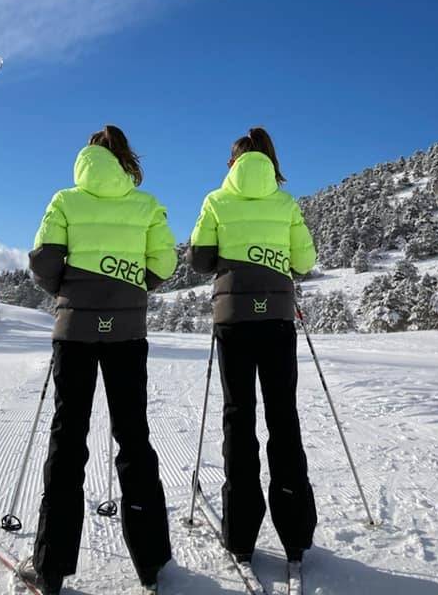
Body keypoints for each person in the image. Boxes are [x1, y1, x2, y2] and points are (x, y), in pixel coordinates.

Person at [18, 125, 177, 595]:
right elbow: (165, 264)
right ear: (126, 158)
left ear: (87, 156)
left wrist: (70, 291)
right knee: (133, 436)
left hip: (75, 335)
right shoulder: (146, 205)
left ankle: (50, 569)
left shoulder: (65, 200)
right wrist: (128, 289)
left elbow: (44, 262)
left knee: (68, 440)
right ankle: (150, 562)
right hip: (127, 333)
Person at [188, 126, 317, 566]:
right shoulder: (286, 204)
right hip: (278, 320)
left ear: (234, 163)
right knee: (284, 418)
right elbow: (304, 262)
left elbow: (200, 259)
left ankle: (240, 534)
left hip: (234, 322)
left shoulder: (216, 200)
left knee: (238, 421)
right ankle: (295, 534)